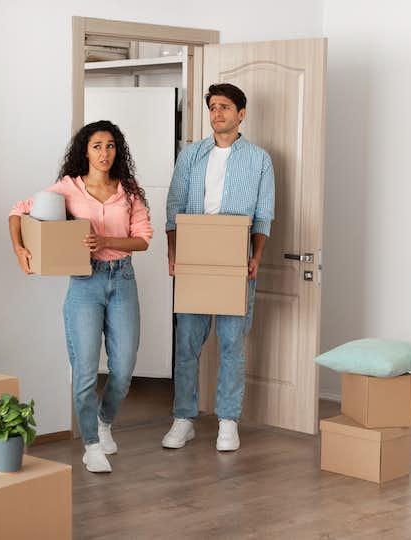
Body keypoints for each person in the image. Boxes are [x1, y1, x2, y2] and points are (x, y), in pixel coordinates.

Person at [8, 120, 153, 472]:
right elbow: (19, 210)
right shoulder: (68, 188)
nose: (104, 153)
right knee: (86, 370)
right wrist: (20, 250)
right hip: (85, 284)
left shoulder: (129, 190)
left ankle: (104, 422)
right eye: (97, 146)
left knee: (123, 368)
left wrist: (105, 242)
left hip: (122, 280)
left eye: (110, 146)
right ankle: (91, 444)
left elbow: (143, 239)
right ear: (84, 152)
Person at [163, 83, 275, 452]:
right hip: (194, 254)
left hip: (234, 255)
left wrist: (256, 257)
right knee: (187, 343)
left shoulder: (258, 159)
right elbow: (173, 206)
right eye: (212, 107)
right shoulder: (191, 155)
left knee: (232, 343)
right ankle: (183, 418)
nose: (217, 113)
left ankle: (228, 421)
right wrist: (173, 253)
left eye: (225, 107)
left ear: (241, 113)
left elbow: (263, 216)